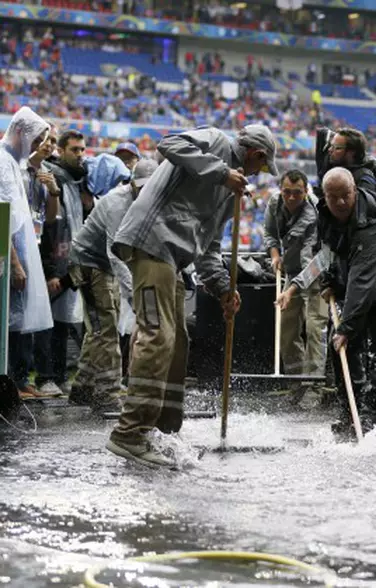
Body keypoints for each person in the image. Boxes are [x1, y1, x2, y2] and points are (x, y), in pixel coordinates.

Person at [107, 124, 279, 468]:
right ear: (255, 154)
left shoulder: (229, 192)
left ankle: (164, 431)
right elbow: (168, 143)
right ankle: (130, 433)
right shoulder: (215, 142)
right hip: (150, 242)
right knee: (157, 336)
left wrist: (222, 288)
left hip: (173, 258)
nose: (257, 174)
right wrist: (221, 173)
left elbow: (210, 248)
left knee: (178, 341)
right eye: (261, 167)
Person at [277, 168, 376, 439]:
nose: (341, 203)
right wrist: (299, 286)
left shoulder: (372, 223)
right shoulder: (324, 215)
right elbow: (324, 256)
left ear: (354, 191)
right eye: (333, 197)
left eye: (345, 195)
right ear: (325, 197)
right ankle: (350, 413)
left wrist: (346, 327)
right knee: (341, 345)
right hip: (365, 279)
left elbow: (364, 283)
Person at [69, 158, 156, 414]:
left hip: (102, 264)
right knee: (105, 330)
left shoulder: (146, 200)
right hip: (89, 262)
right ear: (132, 183)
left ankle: (83, 388)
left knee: (98, 328)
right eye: (142, 187)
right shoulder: (118, 203)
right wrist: (135, 297)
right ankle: (107, 393)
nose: (146, 193)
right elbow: (116, 253)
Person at [3, 107, 53, 399]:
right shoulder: (1, 162)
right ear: (21, 132)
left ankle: (17, 380)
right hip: (9, 258)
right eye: (36, 141)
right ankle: (8, 381)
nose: (37, 148)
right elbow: (1, 216)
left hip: (19, 252)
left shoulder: (13, 163)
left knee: (17, 321)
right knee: (7, 320)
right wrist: (15, 262)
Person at [37, 129, 90, 399]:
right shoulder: (53, 178)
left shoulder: (74, 181)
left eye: (82, 149)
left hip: (69, 262)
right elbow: (49, 230)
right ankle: (45, 377)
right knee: (47, 323)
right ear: (63, 152)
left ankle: (58, 376)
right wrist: (50, 270)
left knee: (61, 323)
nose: (80, 155)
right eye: (74, 150)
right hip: (53, 261)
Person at [263, 169, 328, 379]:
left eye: (297, 193)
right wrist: (274, 256)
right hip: (292, 271)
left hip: (317, 274)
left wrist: (290, 290)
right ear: (281, 190)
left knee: (314, 330)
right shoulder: (274, 203)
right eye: (287, 192)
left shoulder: (315, 214)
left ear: (306, 191)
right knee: (287, 330)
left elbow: (310, 262)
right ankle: (296, 382)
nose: (291, 198)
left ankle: (313, 385)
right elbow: (270, 233)